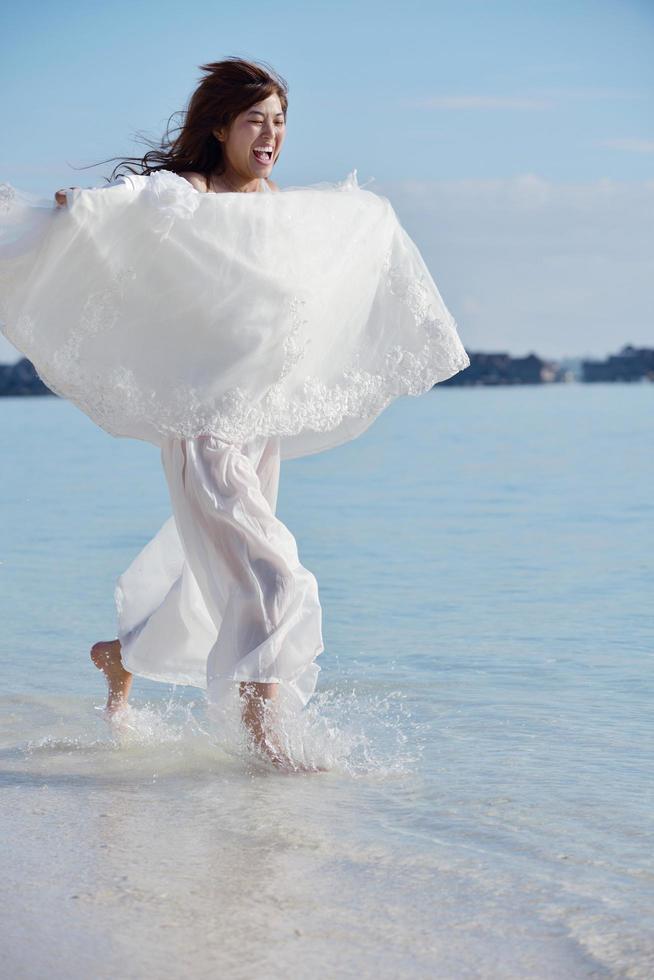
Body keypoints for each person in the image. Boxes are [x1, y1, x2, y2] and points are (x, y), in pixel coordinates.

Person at [1, 57, 471, 774]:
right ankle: (265, 743)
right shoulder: (193, 190)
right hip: (205, 429)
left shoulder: (275, 202)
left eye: (280, 121)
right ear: (220, 126)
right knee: (277, 579)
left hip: (259, 425)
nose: (271, 134)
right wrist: (84, 208)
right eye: (256, 119)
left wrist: (365, 220)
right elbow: (136, 205)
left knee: (218, 581)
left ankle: (121, 655)